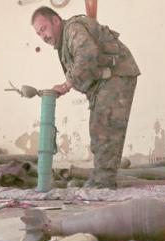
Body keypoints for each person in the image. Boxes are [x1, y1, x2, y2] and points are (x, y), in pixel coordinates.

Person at [31, 6, 140, 189]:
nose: (43, 36)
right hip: (104, 82)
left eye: (44, 29)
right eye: (39, 34)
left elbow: (88, 54)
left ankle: (102, 183)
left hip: (116, 76)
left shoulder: (72, 29)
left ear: (56, 21)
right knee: (99, 131)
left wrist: (66, 85)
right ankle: (102, 180)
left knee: (105, 129)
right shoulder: (64, 39)